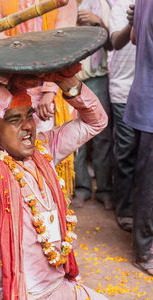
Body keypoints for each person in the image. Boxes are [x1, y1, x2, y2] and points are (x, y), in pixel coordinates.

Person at [0, 58, 109, 299]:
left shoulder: (44, 150)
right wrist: (4, 83)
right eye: (14, 120)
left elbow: (96, 122)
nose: (28, 126)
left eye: (29, 115)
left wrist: (64, 81)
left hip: (59, 289)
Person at [0, 0, 78, 197]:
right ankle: (17, 200)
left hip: (50, 92)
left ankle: (53, 201)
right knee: (12, 151)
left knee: (49, 153)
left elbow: (64, 42)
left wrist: (50, 89)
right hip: (13, 88)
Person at [73, 0, 113, 209]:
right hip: (72, 78)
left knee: (102, 137)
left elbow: (112, 44)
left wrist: (97, 23)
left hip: (99, 78)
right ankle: (81, 189)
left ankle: (104, 189)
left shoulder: (105, 5)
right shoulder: (65, 6)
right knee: (75, 136)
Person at [123, 0, 153, 276]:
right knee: (149, 183)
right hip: (150, 106)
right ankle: (144, 251)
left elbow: (134, 37)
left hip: (144, 99)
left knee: (146, 178)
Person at [109, 0, 136, 232]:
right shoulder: (121, 5)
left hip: (146, 89)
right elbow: (116, 42)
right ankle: (125, 208)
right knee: (126, 149)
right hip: (123, 90)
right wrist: (133, 23)